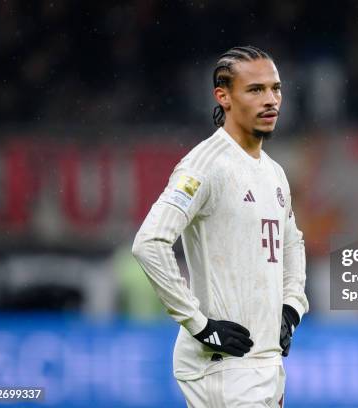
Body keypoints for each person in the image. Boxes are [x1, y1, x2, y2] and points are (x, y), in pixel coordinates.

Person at [132, 45, 309, 407]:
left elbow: (292, 244)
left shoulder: (274, 173)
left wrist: (291, 309)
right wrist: (200, 325)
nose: (271, 100)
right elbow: (149, 242)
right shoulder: (204, 165)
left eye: (275, 88)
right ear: (223, 97)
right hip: (223, 368)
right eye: (255, 90)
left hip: (266, 362)